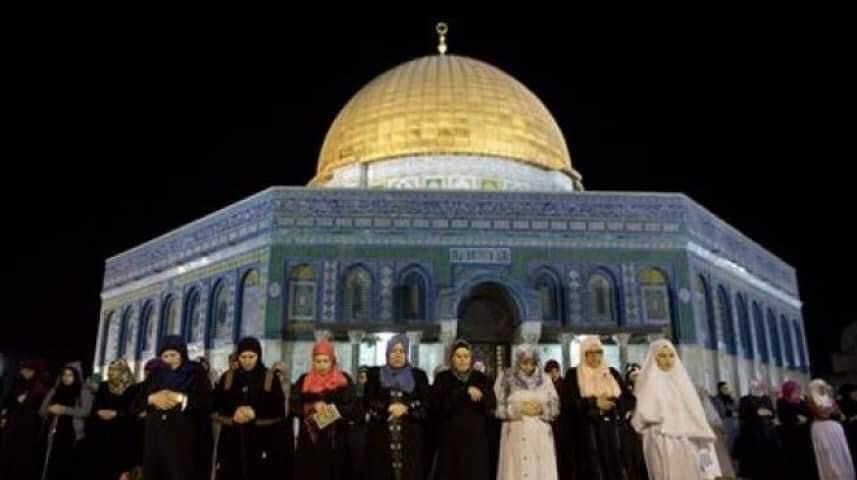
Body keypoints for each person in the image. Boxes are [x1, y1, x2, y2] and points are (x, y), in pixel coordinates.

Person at [631, 339, 721, 479]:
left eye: (671, 355)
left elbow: (698, 419)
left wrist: (708, 466)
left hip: (690, 437)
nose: (668, 360)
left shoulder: (684, 382)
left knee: (699, 472)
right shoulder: (648, 383)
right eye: (662, 356)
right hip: (661, 438)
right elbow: (641, 417)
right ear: (654, 357)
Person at [560, 336, 645, 480]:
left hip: (614, 434)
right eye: (590, 353)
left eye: (598, 352)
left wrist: (613, 403)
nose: (595, 357)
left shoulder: (612, 373)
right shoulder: (573, 375)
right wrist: (594, 403)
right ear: (583, 353)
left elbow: (629, 400)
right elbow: (568, 403)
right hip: (587, 435)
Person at [132, 335, 213, 480]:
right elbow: (135, 404)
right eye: (165, 356)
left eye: (174, 355)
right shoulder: (155, 375)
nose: (170, 360)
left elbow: (207, 402)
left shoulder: (195, 373)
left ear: (182, 354)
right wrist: (152, 398)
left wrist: (181, 398)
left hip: (184, 442)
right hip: (156, 441)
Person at [213, 337, 292, 480]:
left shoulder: (269, 378)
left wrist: (254, 413)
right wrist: (234, 414)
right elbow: (216, 404)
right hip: (232, 441)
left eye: (251, 357)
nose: (247, 361)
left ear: (258, 356)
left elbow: (279, 408)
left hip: (262, 442)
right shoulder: (228, 377)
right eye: (243, 357)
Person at [364, 333, 431, 480]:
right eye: (393, 351)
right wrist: (388, 407)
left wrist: (406, 408)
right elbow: (368, 401)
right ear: (387, 353)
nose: (398, 355)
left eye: (402, 351)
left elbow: (427, 404)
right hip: (381, 436)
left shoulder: (418, 376)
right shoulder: (375, 374)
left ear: (407, 354)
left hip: (410, 438)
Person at [289, 339, 358, 480]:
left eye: (326, 361)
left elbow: (352, 407)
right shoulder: (304, 380)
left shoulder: (343, 381)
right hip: (310, 443)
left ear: (332, 361)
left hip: (336, 441)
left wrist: (327, 412)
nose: (321, 365)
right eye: (318, 361)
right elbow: (294, 405)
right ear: (313, 361)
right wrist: (313, 406)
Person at [431, 339, 496, 480]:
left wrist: (479, 395)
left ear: (471, 359)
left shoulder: (480, 378)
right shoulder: (443, 378)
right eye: (458, 356)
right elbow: (439, 405)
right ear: (452, 358)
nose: (462, 360)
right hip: (450, 442)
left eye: (466, 356)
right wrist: (465, 391)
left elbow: (491, 403)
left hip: (475, 442)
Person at [494, 344, 559, 480]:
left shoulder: (545, 379)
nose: (528, 367)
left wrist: (542, 409)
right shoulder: (507, 378)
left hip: (540, 434)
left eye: (532, 363)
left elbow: (555, 406)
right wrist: (518, 409)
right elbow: (497, 408)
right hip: (516, 433)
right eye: (524, 363)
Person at [39, 361, 93, 480]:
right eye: (64, 374)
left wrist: (63, 409)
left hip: (71, 435)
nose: (66, 378)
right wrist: (49, 409)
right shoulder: (56, 389)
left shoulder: (83, 390)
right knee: (49, 465)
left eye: (70, 375)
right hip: (52, 433)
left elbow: (86, 411)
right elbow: (41, 411)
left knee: (65, 466)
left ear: (76, 376)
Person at [87, 359, 141, 480]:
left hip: (122, 439)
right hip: (102, 436)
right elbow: (94, 408)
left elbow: (133, 413)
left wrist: (116, 414)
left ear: (123, 371)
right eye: (110, 369)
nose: (110, 372)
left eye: (115, 369)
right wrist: (98, 412)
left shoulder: (133, 389)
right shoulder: (104, 386)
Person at [0, 358, 50, 479]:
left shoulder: (41, 387)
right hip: (12, 423)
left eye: (29, 370)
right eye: (24, 370)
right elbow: (8, 401)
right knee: (7, 451)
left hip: (28, 426)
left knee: (22, 454)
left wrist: (25, 402)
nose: (25, 373)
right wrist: (4, 416)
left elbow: (41, 409)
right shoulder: (18, 382)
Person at [807, 378, 855, 480]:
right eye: (820, 388)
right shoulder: (812, 400)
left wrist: (832, 407)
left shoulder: (828, 398)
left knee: (840, 456)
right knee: (828, 456)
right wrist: (830, 408)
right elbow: (823, 414)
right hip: (823, 429)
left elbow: (838, 413)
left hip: (834, 429)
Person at [736, 379, 783, 479]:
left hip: (768, 432)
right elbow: (742, 416)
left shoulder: (766, 398)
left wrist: (768, 413)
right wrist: (756, 414)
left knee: (769, 455)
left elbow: (773, 413)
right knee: (755, 457)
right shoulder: (745, 399)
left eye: (760, 386)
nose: (758, 388)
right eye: (755, 386)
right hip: (752, 433)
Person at [777, 380, 818, 480]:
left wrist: (806, 419)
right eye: (795, 390)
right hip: (791, 434)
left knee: (806, 457)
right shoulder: (782, 401)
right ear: (789, 391)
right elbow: (783, 417)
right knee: (794, 458)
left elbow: (810, 415)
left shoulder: (802, 402)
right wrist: (796, 419)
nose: (798, 392)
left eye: (798, 390)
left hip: (804, 434)